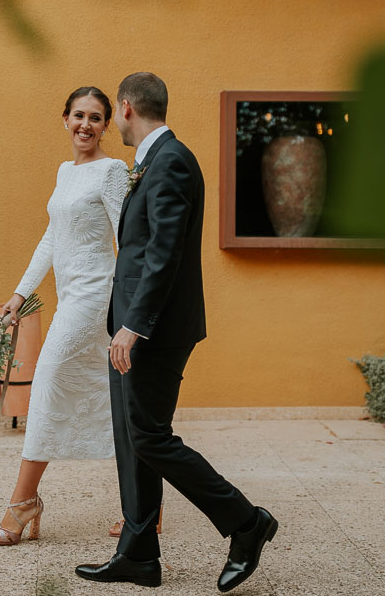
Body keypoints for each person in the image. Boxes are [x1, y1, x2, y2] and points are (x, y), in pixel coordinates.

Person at [75, 72, 278, 592]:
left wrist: (132, 327)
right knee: (132, 436)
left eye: (110, 115)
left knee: (150, 436)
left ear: (124, 109)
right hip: (137, 326)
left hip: (153, 330)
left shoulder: (170, 162)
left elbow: (163, 256)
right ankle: (138, 554)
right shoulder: (154, 160)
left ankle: (247, 523)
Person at [0, 86, 128, 545]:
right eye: (78, 115)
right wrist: (18, 295)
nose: (85, 125)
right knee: (115, 398)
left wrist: (135, 307)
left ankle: (22, 501)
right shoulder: (66, 171)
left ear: (107, 125)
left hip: (95, 294)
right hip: (68, 295)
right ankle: (145, 503)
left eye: (96, 117)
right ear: (64, 119)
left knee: (45, 376)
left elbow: (129, 238)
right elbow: (51, 237)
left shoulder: (112, 171)